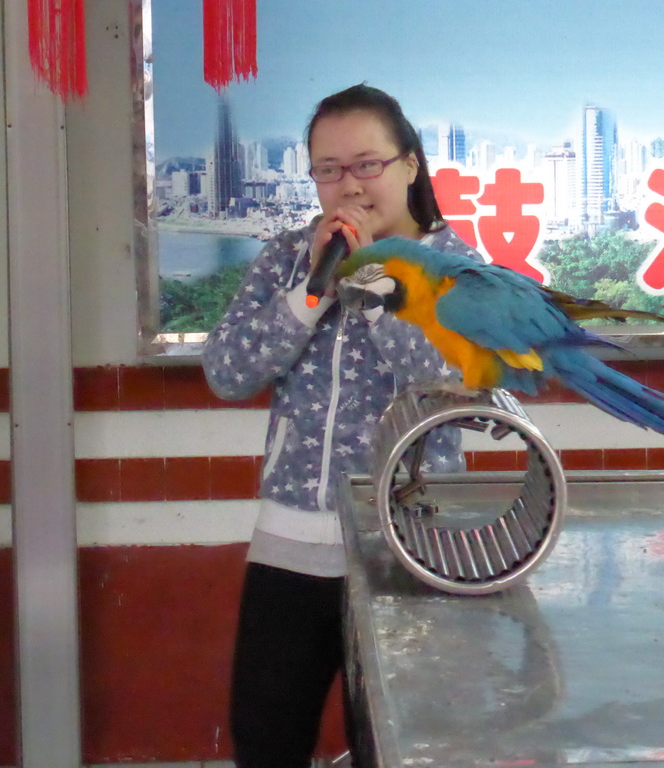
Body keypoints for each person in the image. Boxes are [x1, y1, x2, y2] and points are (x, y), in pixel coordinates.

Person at [201, 84, 480, 768]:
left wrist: (380, 286)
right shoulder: (290, 257)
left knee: (395, 746)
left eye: (366, 165)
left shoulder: (460, 269)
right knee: (266, 742)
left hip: (408, 553)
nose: (347, 186)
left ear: (410, 164)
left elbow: (451, 379)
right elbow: (227, 372)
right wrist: (311, 293)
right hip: (290, 547)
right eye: (328, 170)